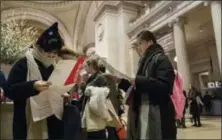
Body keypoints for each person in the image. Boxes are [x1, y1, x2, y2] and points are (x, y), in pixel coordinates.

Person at [3, 22, 64, 139]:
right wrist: (32, 86)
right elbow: (9, 90)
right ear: (39, 48)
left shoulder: (53, 67)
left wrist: (61, 93)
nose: (51, 56)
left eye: (55, 53)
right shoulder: (23, 64)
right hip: (26, 125)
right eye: (48, 52)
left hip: (51, 125)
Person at [116, 30, 176, 140]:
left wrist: (139, 80)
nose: (137, 48)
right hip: (143, 114)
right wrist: (122, 83)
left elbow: (165, 86)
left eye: (140, 43)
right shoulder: (143, 63)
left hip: (158, 115)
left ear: (149, 43)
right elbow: (139, 90)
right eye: (136, 44)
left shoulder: (161, 59)